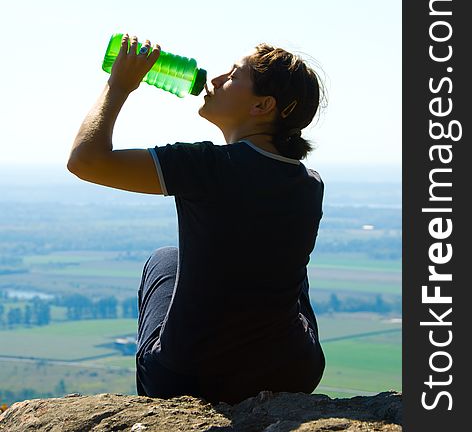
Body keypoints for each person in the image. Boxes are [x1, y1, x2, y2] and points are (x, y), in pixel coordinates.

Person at [67, 33, 326, 405]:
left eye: (235, 75)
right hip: (291, 372)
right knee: (282, 262)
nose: (217, 79)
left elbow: (85, 160)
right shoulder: (309, 185)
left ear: (263, 105)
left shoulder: (207, 167)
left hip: (187, 379)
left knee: (165, 258)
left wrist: (119, 86)